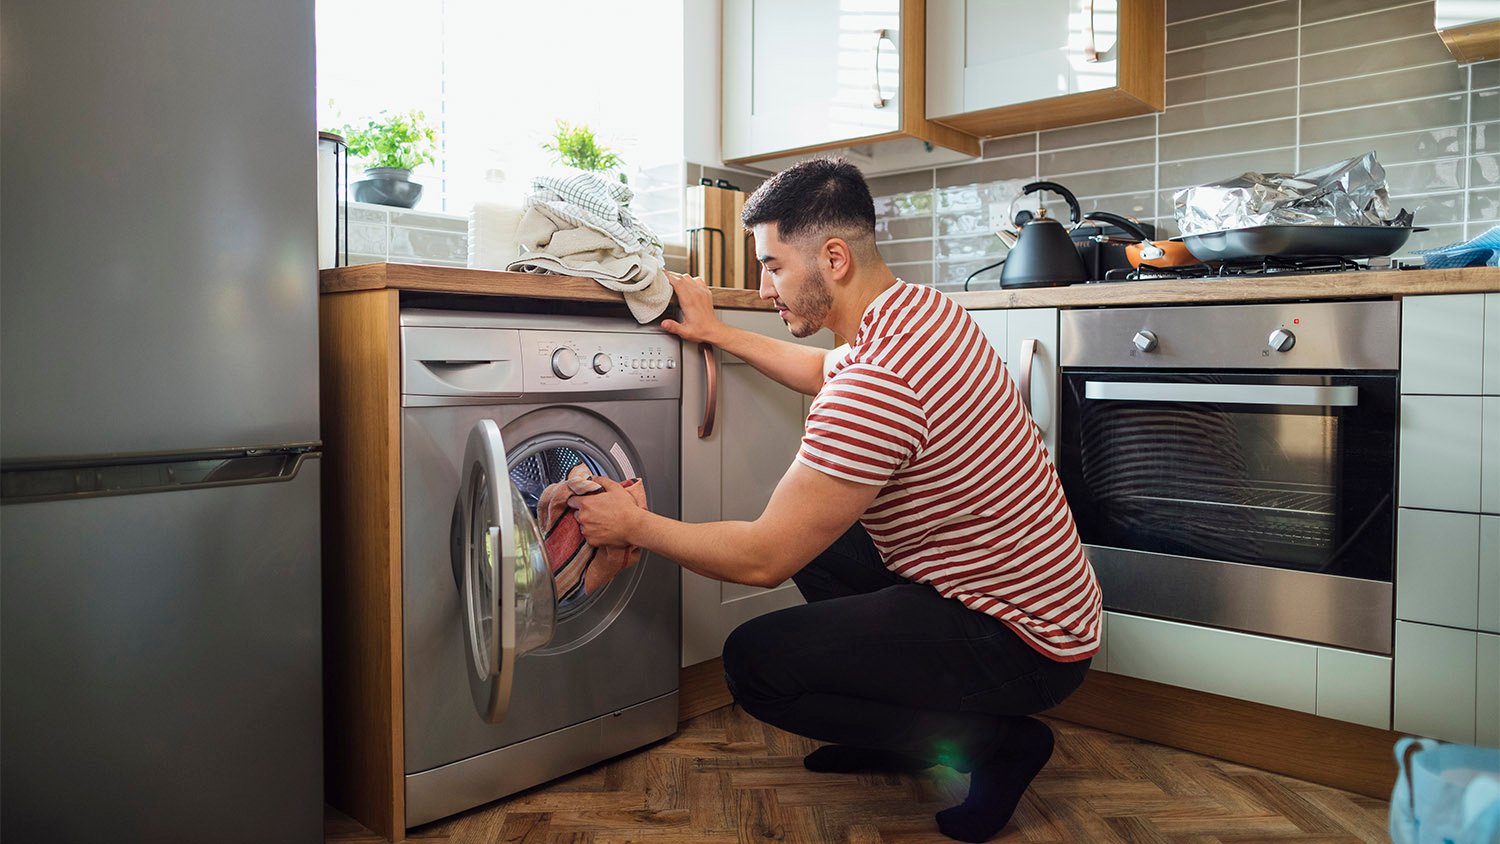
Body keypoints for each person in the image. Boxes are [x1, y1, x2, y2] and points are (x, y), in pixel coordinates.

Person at [570, 156, 1101, 843]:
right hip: (1041, 601)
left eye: (773, 267)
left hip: (1026, 644)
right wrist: (718, 333)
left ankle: (993, 745)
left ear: (834, 257)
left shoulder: (880, 382)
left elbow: (762, 557)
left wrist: (633, 524)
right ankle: (907, 732)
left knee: (756, 664)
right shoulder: (921, 313)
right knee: (822, 547)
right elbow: (824, 368)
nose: (765, 290)